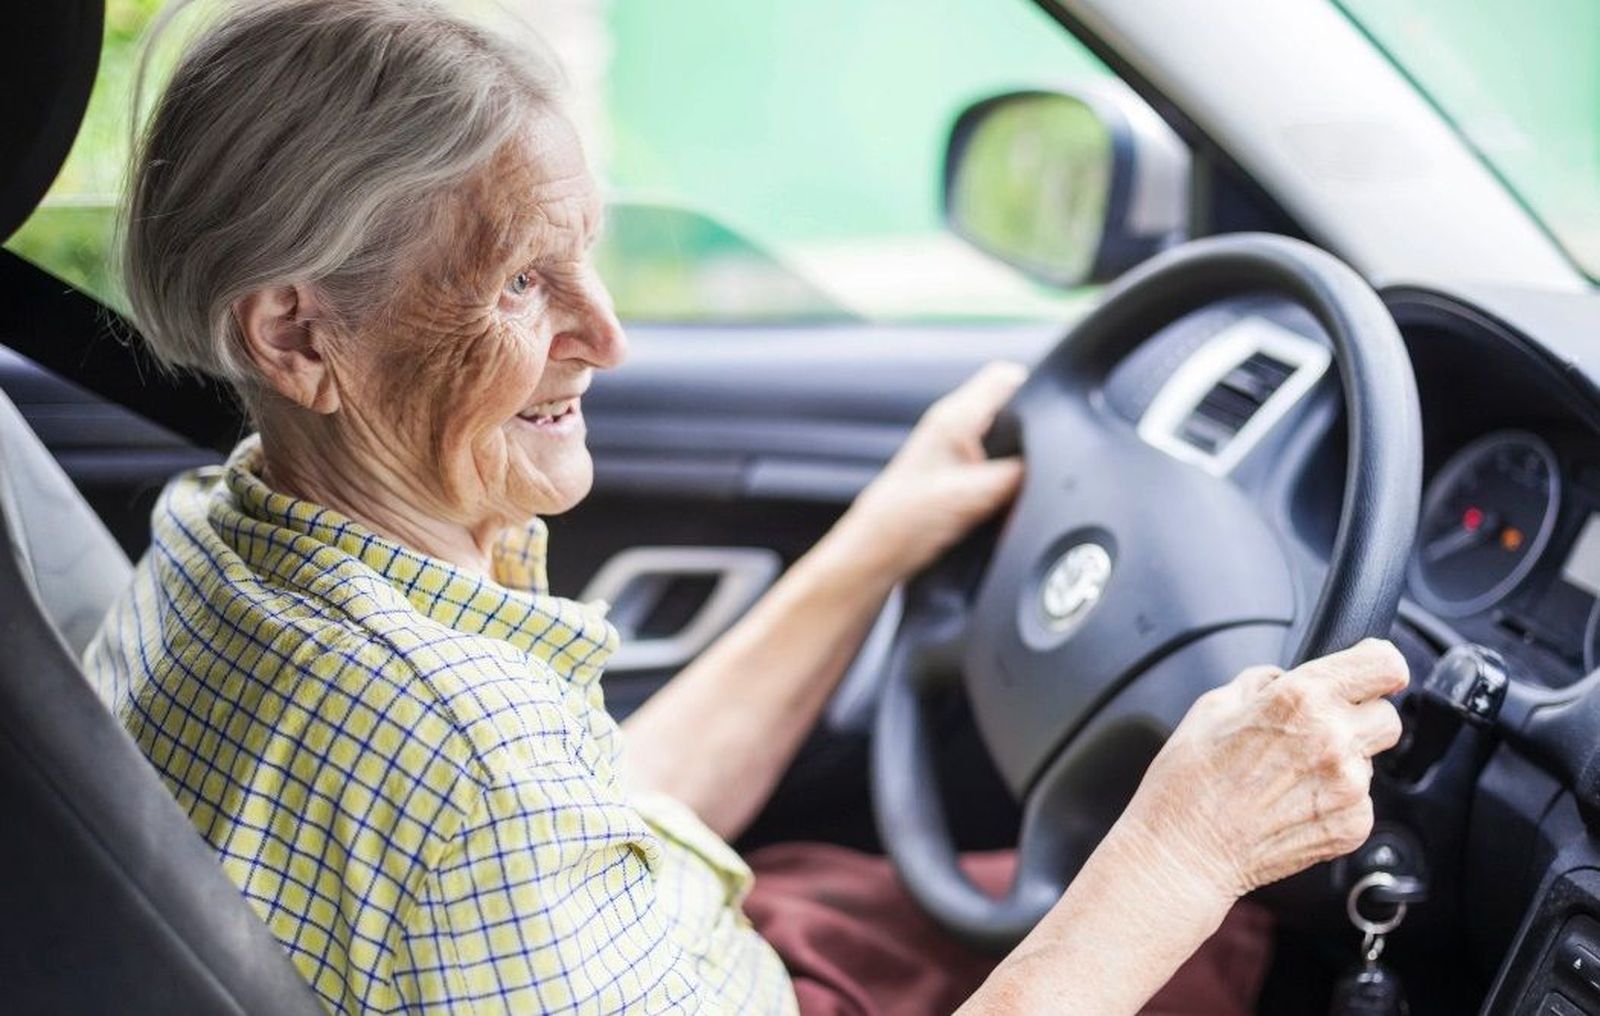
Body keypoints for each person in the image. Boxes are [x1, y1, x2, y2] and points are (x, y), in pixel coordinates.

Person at [86, 1, 1408, 1012]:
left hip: (699, 948)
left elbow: (584, 825)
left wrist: (880, 542)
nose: (607, 335)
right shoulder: (460, 756)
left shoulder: (225, 531)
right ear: (298, 337)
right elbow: (493, 811)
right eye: (518, 285)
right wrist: (1186, 850)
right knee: (1219, 938)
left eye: (585, 254)